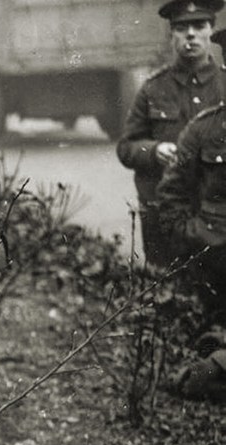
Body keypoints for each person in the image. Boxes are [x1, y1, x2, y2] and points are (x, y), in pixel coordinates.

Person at [117, 0, 226, 267]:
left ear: (211, 30)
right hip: (162, 214)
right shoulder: (153, 89)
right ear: (171, 34)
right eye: (181, 27)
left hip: (214, 217)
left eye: (199, 26)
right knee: (166, 290)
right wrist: (154, 151)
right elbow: (127, 147)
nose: (190, 34)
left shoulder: (224, 83)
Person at [156, 27, 226, 401]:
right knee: (196, 380)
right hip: (215, 260)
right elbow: (171, 195)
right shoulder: (204, 129)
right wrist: (193, 238)